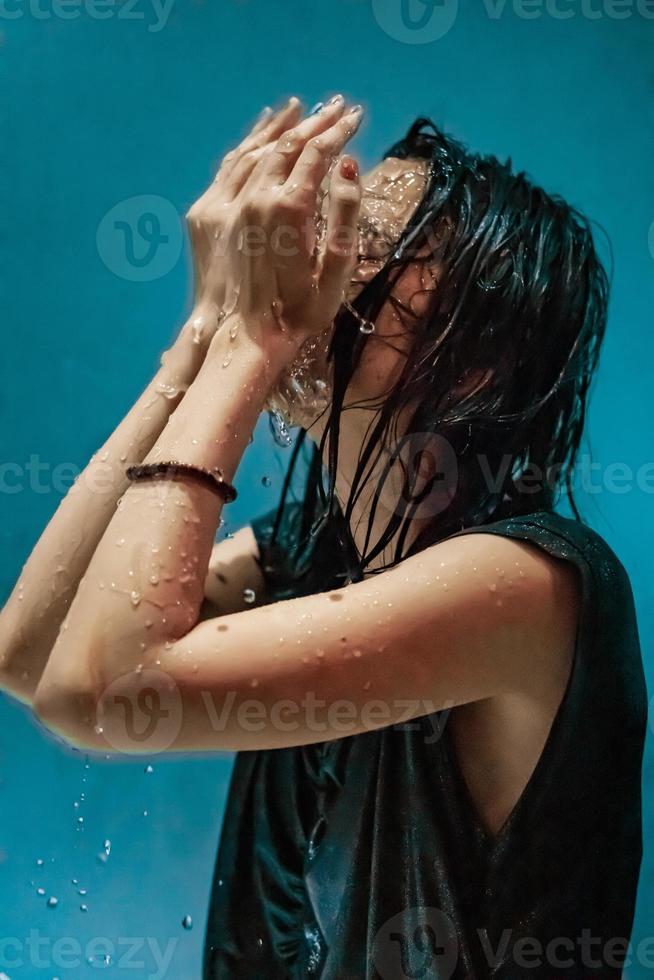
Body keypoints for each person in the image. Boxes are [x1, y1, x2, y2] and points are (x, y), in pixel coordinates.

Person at [0, 95, 647, 979]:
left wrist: (251, 341)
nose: (319, 261)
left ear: (479, 350)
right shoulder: (311, 553)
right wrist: (203, 337)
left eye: (369, 240)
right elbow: (33, 655)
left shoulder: (528, 591)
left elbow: (105, 689)